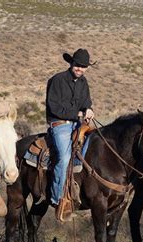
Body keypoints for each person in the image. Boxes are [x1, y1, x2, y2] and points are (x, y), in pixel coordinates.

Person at [45, 48, 95, 221]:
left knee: (96, 146)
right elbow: (54, 107)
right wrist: (77, 115)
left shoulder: (83, 82)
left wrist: (89, 110)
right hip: (60, 125)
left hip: (79, 125)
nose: (80, 69)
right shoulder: (57, 80)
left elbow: (87, 103)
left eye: (83, 66)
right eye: (78, 65)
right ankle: (58, 198)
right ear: (71, 63)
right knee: (64, 158)